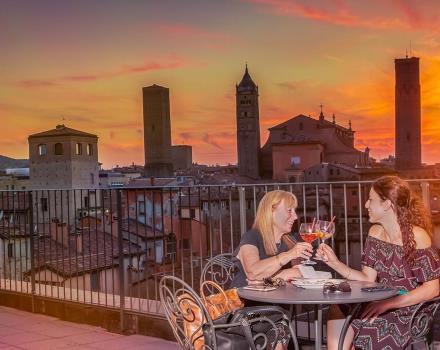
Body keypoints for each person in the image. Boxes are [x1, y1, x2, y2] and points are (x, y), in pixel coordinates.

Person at [316, 176, 440, 350]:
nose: (366, 205)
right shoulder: (375, 232)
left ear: (387, 204)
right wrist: (336, 263)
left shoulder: (418, 237)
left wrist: (387, 304)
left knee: (371, 324)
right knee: (338, 307)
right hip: (378, 299)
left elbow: (432, 288)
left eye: (371, 200)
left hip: (407, 308)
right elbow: (367, 278)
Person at [230, 190, 313, 289]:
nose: (295, 217)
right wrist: (288, 255)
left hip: (279, 301)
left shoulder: (291, 240)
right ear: (271, 212)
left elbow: (300, 273)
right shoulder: (251, 237)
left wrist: (264, 281)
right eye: (289, 210)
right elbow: (253, 273)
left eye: (295, 211)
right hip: (247, 301)